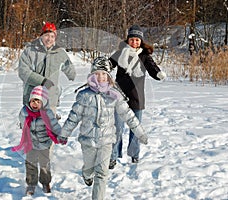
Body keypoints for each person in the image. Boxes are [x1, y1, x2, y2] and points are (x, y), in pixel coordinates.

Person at [57, 57, 148, 200]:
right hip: (88, 141)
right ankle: (87, 175)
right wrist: (64, 134)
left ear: (109, 76)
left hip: (106, 141)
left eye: (104, 74)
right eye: (97, 73)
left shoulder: (114, 95)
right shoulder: (84, 95)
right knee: (89, 168)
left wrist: (140, 133)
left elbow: (128, 115)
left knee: (102, 173)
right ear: (92, 75)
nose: (100, 77)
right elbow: (73, 117)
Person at [109, 24, 166, 168]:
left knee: (136, 128)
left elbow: (152, 67)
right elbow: (109, 64)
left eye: (137, 40)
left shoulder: (144, 56)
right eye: (132, 39)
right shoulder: (120, 53)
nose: (134, 42)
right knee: (117, 128)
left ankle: (134, 155)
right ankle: (113, 156)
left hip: (137, 97)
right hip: (120, 96)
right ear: (128, 40)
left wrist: (158, 74)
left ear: (141, 41)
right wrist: (100, 68)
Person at [11, 86, 64, 195]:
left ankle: (45, 182)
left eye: (38, 101)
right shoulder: (25, 112)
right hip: (30, 144)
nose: (35, 104)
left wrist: (61, 135)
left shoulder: (47, 113)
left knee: (44, 164)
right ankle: (31, 183)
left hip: (44, 144)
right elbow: (22, 121)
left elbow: (54, 125)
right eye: (33, 101)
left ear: (43, 102)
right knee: (30, 164)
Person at [18, 22, 76, 115]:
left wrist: (71, 74)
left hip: (51, 98)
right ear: (41, 36)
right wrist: (42, 81)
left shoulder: (59, 52)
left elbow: (69, 67)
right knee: (32, 126)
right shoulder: (30, 51)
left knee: (50, 127)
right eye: (46, 35)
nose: (49, 39)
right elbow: (23, 71)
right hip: (32, 99)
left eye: (52, 36)